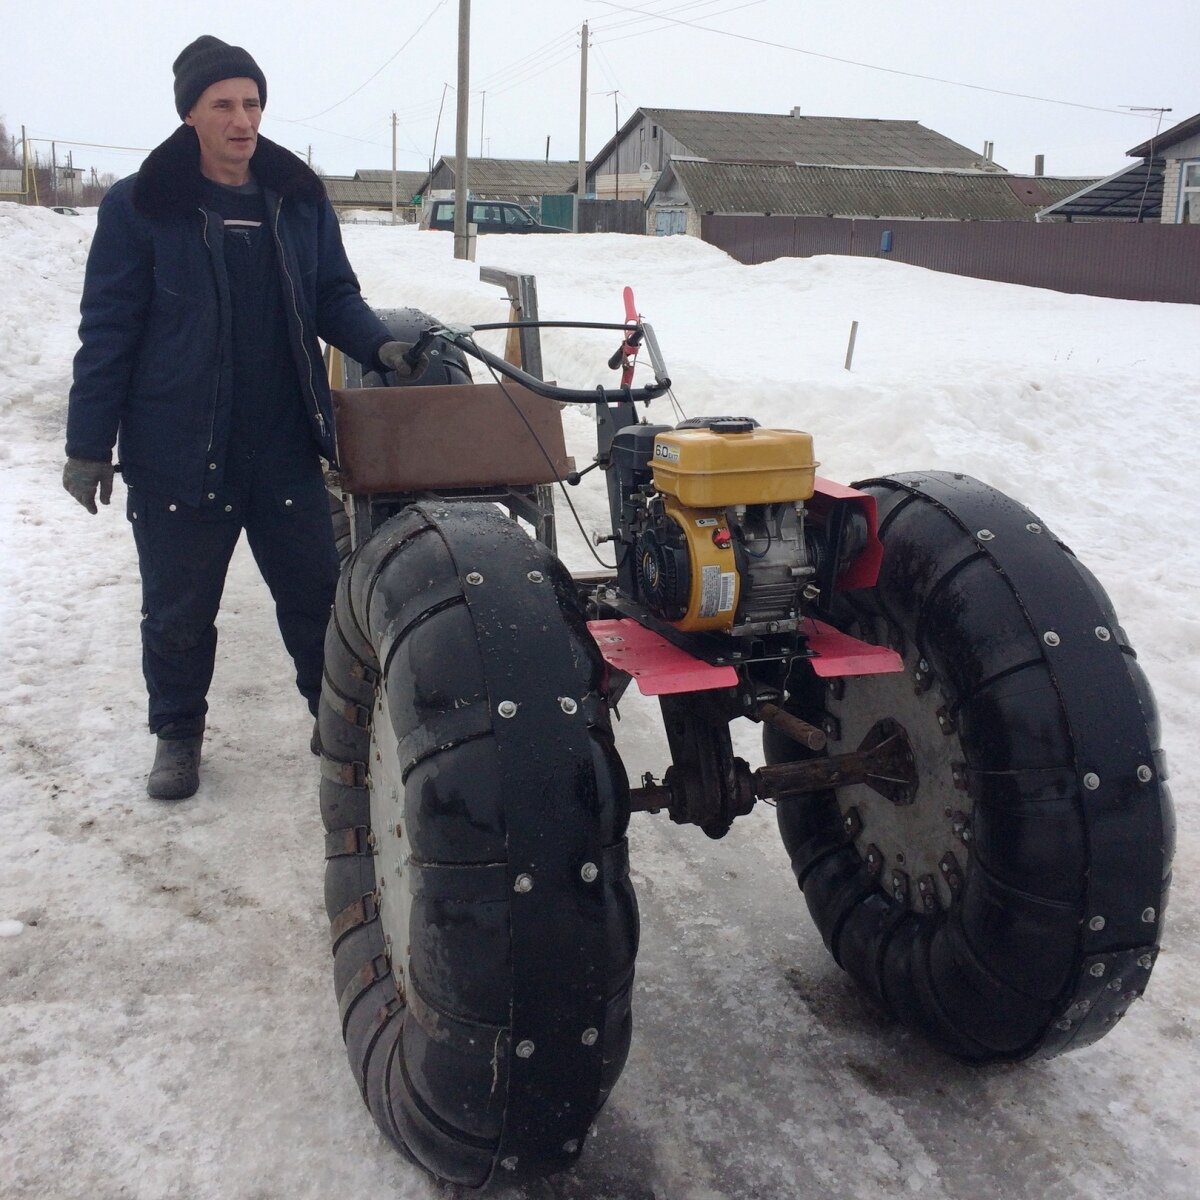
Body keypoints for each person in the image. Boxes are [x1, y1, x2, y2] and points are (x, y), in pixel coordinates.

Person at [63, 36, 420, 801]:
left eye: (252, 102)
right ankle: (177, 735)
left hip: (281, 444)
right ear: (189, 113)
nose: (242, 119)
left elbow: (333, 296)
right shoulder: (140, 205)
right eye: (223, 104)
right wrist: (88, 443)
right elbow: (110, 328)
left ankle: (337, 725)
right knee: (178, 612)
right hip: (176, 448)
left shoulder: (296, 198)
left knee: (315, 602)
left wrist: (381, 347)